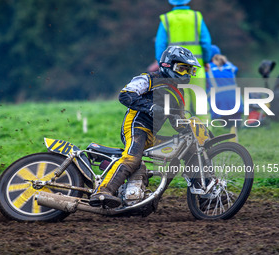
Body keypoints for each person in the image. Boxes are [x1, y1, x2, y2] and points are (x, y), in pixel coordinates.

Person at [90, 46, 201, 208]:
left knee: (186, 149)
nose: (185, 74)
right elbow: (125, 95)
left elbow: (176, 121)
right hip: (137, 126)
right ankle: (102, 191)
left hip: (153, 135)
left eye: (189, 70)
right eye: (182, 69)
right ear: (167, 65)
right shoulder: (149, 78)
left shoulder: (178, 93)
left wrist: (194, 132)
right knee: (132, 159)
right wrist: (149, 106)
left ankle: (205, 197)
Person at [155, 0, 211, 121]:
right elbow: (206, 43)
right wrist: (206, 60)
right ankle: (206, 133)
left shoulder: (166, 19)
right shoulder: (196, 17)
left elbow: (160, 45)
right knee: (200, 101)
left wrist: (162, 65)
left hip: (175, 70)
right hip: (197, 67)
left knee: (181, 102)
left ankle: (185, 132)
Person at [206, 45, 243, 141]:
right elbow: (236, 69)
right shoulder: (230, 65)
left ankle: (217, 146)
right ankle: (235, 145)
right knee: (233, 128)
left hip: (219, 102)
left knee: (219, 129)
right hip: (236, 100)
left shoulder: (206, 68)